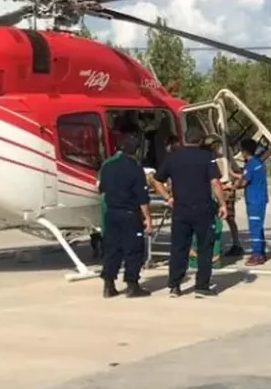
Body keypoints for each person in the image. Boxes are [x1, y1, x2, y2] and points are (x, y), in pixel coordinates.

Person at [151, 126, 227, 298]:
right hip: (203, 209)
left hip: (180, 210)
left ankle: (175, 285)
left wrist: (167, 197)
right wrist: (222, 204)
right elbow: (215, 182)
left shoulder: (173, 157)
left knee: (179, 248)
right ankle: (202, 286)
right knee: (204, 247)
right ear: (201, 141)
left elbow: (156, 180)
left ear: (184, 139)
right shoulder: (208, 157)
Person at [97, 130, 153, 298]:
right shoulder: (135, 169)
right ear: (136, 151)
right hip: (129, 214)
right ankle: (132, 284)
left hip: (111, 213)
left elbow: (101, 189)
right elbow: (142, 198)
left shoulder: (107, 165)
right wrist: (148, 219)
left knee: (112, 249)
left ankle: (108, 284)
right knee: (133, 249)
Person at [206, 135, 245, 258]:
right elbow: (233, 173)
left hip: (220, 190)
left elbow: (230, 174)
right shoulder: (222, 159)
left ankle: (217, 247)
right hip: (225, 190)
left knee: (218, 220)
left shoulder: (216, 160)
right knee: (228, 219)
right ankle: (234, 243)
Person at [241, 138, 269, 266]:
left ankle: (256, 255)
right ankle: (261, 252)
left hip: (254, 200)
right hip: (260, 199)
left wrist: (233, 185)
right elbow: (246, 177)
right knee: (258, 227)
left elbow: (243, 182)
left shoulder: (250, 164)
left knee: (254, 228)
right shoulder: (258, 163)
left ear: (244, 151)